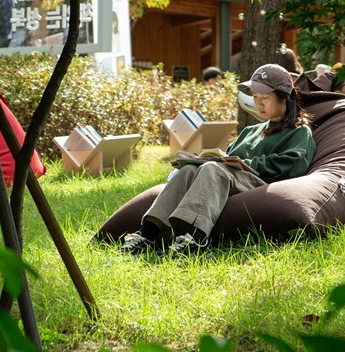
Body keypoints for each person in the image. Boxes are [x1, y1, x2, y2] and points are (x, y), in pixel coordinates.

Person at [120, 64, 314, 256]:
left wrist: (245, 163)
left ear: (284, 98)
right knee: (189, 171)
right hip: (229, 179)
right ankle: (147, 234)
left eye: (265, 98)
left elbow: (294, 164)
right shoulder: (250, 131)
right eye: (255, 97)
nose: (259, 103)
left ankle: (194, 239)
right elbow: (227, 157)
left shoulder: (298, 131)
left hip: (262, 184)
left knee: (213, 169)